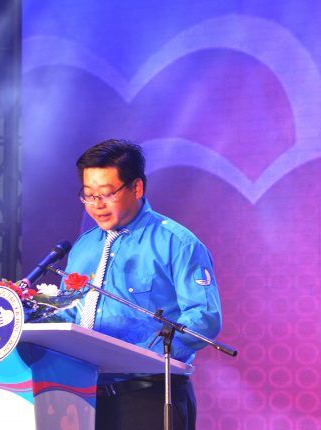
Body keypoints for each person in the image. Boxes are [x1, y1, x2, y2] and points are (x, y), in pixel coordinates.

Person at [61, 139, 222, 430]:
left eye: (106, 194)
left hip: (149, 395)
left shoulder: (177, 243)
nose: (97, 205)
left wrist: (138, 355)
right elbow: (70, 310)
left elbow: (204, 318)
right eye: (88, 195)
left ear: (136, 188)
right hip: (83, 396)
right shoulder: (84, 247)